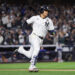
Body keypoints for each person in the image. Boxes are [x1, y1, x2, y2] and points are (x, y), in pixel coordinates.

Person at [14, 5, 55, 72]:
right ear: (41, 11)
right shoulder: (35, 18)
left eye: (47, 11)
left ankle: (20, 49)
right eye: (45, 10)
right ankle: (32, 66)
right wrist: (24, 31)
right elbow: (26, 22)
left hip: (41, 40)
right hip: (34, 36)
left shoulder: (49, 21)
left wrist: (53, 33)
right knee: (37, 48)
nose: (47, 12)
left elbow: (52, 31)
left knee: (30, 55)